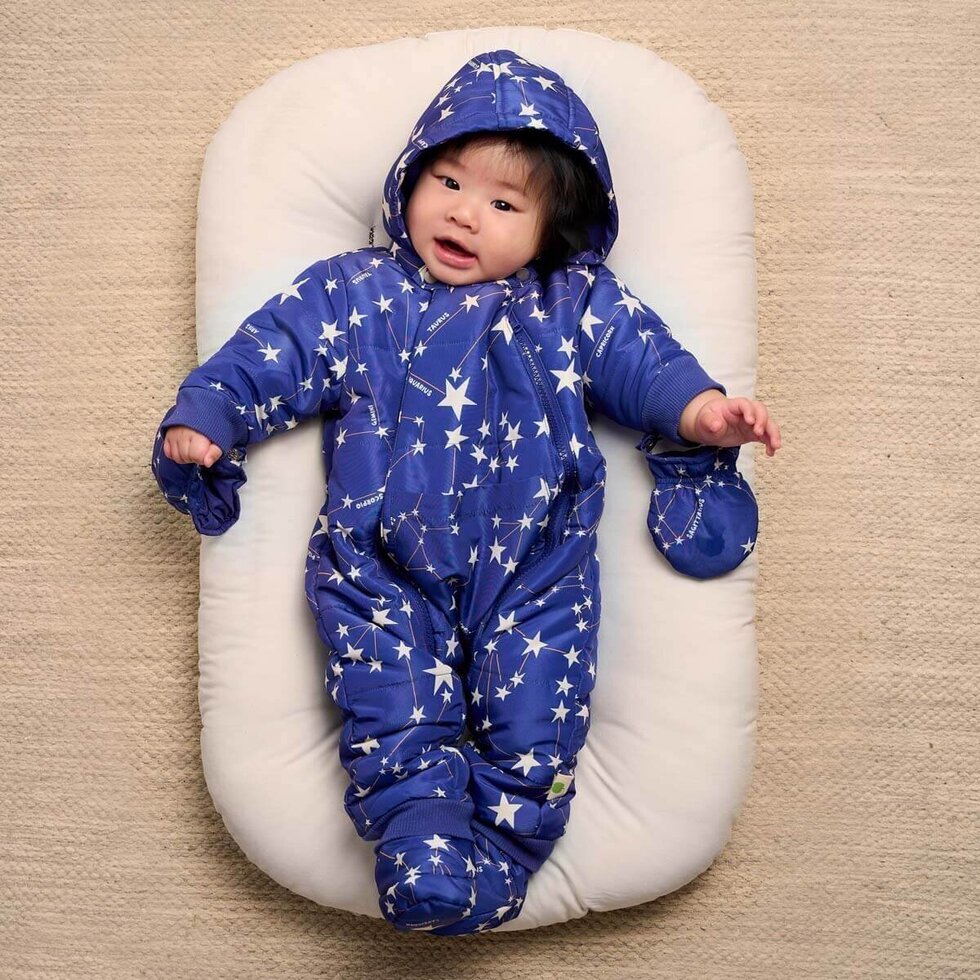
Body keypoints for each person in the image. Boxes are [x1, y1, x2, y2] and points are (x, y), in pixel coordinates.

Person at [151, 48, 781, 935]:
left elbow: (647, 364)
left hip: (536, 569)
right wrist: (211, 413)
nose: (462, 212)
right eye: (446, 181)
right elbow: (274, 349)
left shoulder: (573, 304)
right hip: (379, 563)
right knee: (387, 697)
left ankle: (505, 851)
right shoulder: (360, 292)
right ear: (410, 176)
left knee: (538, 714)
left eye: (503, 204)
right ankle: (421, 841)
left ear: (549, 230)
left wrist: (705, 412)